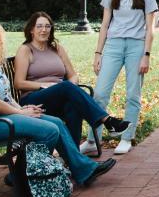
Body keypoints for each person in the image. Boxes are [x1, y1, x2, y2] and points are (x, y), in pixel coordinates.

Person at [0, 18, 115, 190]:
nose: (2, 41)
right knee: (49, 130)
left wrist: (21, 108)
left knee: (57, 122)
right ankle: (21, 174)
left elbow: (4, 97)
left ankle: (83, 170)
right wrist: (21, 113)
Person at [12, 12, 130, 156]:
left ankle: (73, 157)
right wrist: (45, 86)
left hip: (60, 96)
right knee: (66, 86)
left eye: (47, 26)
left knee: (73, 105)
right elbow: (18, 83)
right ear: (31, 30)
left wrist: (71, 85)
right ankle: (107, 120)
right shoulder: (25, 50)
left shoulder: (57, 48)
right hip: (34, 99)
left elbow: (72, 75)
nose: (44, 30)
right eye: (39, 26)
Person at [93, 0, 159, 155]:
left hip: (136, 47)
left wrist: (146, 54)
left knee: (132, 94)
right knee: (99, 94)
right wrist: (98, 53)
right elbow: (104, 25)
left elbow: (150, 28)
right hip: (113, 46)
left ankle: (126, 137)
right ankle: (92, 139)